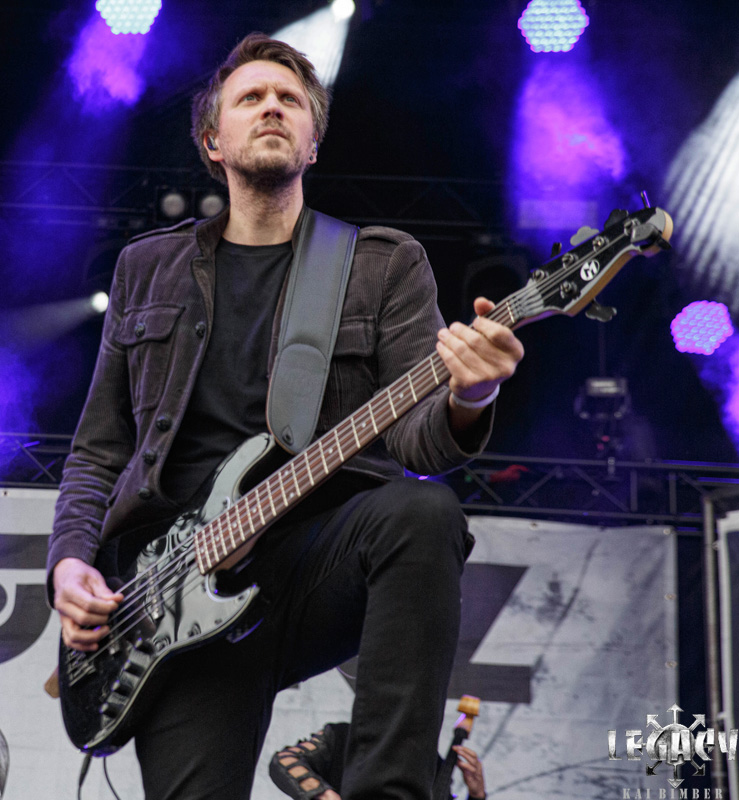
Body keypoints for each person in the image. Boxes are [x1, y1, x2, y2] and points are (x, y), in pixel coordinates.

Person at [47, 33, 523, 800]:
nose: (272, 106)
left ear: (312, 142)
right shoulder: (147, 267)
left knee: (421, 513)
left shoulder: (379, 263)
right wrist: (69, 562)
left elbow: (417, 440)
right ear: (212, 140)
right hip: (168, 600)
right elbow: (99, 450)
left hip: (316, 561)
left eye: (290, 100)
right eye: (251, 97)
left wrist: (471, 395)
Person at [269, 722, 486, 800]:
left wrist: (477, 795)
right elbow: (285, 760)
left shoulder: (430, 764)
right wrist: (322, 794)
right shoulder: (342, 737)